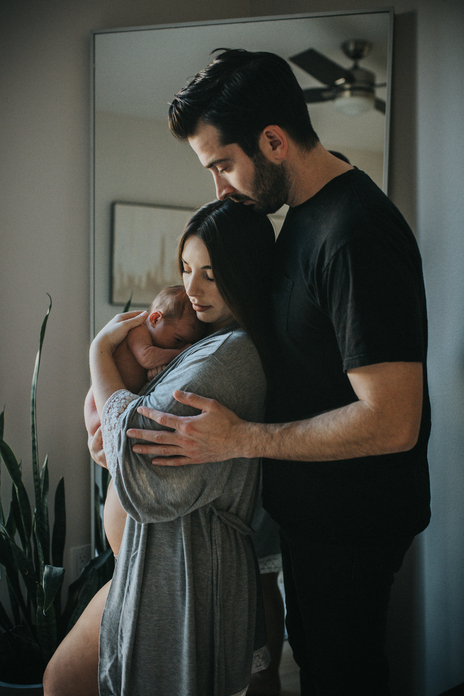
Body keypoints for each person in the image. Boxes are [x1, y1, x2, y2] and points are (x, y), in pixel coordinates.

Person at [126, 49, 432, 695]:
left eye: (223, 165)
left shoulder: (354, 235)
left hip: (352, 521)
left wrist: (240, 439)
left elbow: (393, 420)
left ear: (273, 141)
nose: (220, 188)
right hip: (312, 512)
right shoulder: (299, 222)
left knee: (339, 675)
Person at [43, 199, 276, 696]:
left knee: (64, 682)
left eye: (211, 274)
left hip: (178, 573)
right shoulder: (207, 341)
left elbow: (137, 451)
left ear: (246, 271)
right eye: (187, 269)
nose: (192, 289)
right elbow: (122, 427)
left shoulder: (230, 357)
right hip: (145, 564)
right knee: (62, 680)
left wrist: (98, 352)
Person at [84, 284, 204, 440]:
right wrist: (182, 352)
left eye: (186, 343)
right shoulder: (138, 330)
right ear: (155, 319)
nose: (181, 346)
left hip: (118, 405)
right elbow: (147, 358)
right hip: (97, 406)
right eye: (178, 340)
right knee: (110, 438)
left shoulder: (159, 347)